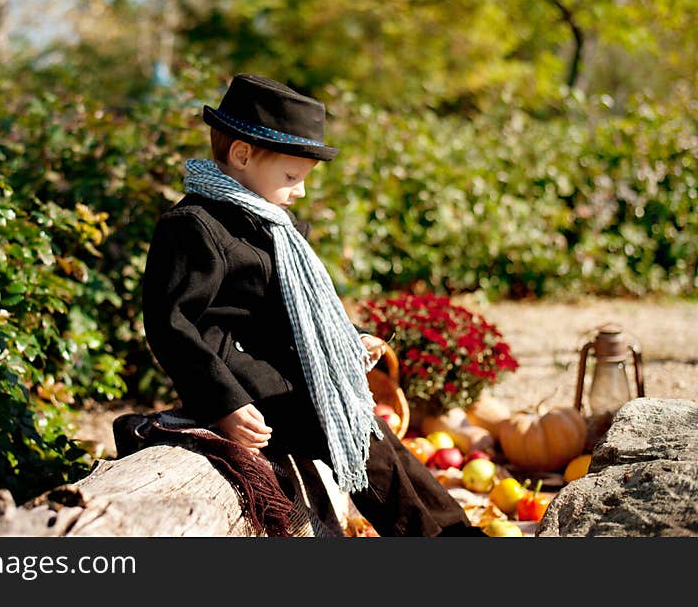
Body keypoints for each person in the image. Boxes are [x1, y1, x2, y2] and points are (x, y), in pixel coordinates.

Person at [141, 74, 481, 536]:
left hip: (289, 371)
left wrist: (346, 339)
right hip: (245, 381)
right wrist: (225, 401)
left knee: (374, 438)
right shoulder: (194, 226)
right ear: (242, 155)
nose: (299, 190)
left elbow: (298, 309)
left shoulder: (275, 225)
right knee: (364, 448)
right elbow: (172, 324)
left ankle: (458, 534)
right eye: (291, 176)